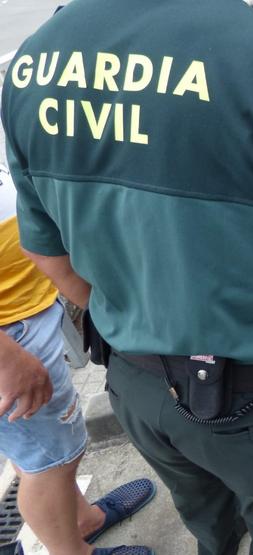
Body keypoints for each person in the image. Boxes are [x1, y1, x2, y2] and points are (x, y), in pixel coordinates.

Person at [1, 2, 253, 554]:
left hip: (134, 383)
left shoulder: (33, 63)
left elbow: (45, 252)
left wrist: (126, 313)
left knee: (203, 514)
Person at [0, 165, 155, 555]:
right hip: (10, 339)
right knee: (49, 464)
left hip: (22, 311)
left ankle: (82, 520)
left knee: (43, 449)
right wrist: (6, 359)